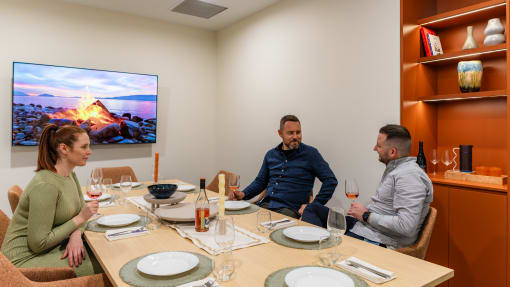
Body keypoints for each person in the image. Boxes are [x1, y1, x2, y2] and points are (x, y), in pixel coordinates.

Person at [302, 124, 433, 249]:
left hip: (378, 240)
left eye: (379, 146)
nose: (374, 148)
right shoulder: (397, 170)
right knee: (312, 209)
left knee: (319, 232)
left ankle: (312, 257)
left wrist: (366, 215)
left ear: (392, 152)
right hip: (366, 228)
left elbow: (406, 226)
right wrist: (365, 215)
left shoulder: (409, 176)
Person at [1, 124, 103, 276]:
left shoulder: (69, 174)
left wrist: (76, 235)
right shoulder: (46, 186)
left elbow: (83, 213)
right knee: (106, 265)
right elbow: (38, 244)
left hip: (52, 246)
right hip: (22, 262)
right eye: (84, 147)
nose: (90, 151)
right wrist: (80, 218)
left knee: (105, 249)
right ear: (64, 149)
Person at [228, 115, 338, 218]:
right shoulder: (271, 155)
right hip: (265, 206)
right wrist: (243, 194)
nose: (295, 137)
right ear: (280, 133)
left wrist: (313, 206)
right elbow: (260, 182)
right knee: (235, 219)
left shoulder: (311, 154)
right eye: (290, 133)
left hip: (289, 211)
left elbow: (331, 181)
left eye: (298, 132)